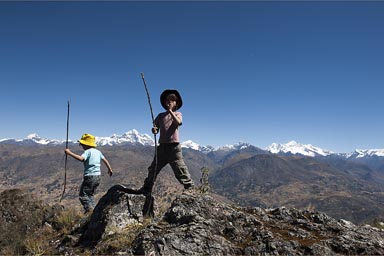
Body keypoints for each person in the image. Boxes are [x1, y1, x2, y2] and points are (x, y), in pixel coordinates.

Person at [138, 89, 194, 195]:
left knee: (180, 168)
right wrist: (154, 130)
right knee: (153, 168)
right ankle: (147, 187)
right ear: (164, 102)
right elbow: (155, 128)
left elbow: (178, 123)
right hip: (162, 147)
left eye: (172, 100)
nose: (169, 102)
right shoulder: (160, 116)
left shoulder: (178, 114)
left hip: (174, 148)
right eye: (167, 100)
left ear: (176, 103)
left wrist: (171, 112)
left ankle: (189, 187)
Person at [64, 133, 113, 213]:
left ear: (86, 144)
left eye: (82, 144)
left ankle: (90, 210)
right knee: (90, 194)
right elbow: (105, 160)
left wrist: (69, 153)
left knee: (83, 195)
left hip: (90, 177)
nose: (81, 146)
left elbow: (81, 159)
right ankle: (94, 211)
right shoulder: (98, 152)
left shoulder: (87, 152)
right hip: (98, 177)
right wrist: (110, 169)